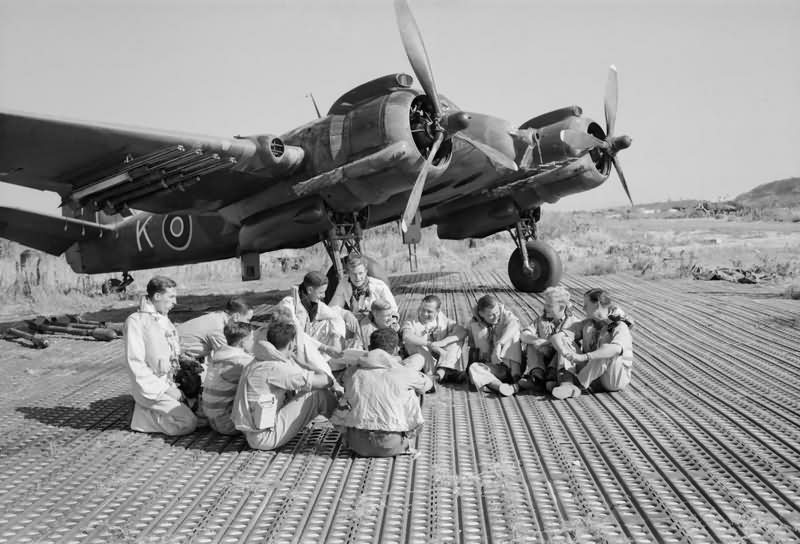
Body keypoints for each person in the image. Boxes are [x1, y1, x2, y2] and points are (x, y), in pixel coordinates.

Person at [232, 322, 339, 451]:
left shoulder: (258, 360)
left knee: (300, 392)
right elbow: (326, 381)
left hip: (252, 432)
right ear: (291, 344)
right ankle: (346, 427)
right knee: (318, 394)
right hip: (265, 436)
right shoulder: (275, 367)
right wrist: (306, 363)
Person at [331, 328, 432, 457]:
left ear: (369, 347)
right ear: (396, 350)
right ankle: (406, 436)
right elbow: (427, 385)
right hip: (391, 445)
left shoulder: (352, 372)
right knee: (413, 390)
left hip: (357, 444)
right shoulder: (404, 373)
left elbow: (343, 383)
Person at [123, 275, 197, 436]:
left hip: (171, 383)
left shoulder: (163, 319)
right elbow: (135, 364)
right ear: (157, 297)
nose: (175, 302)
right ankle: (137, 417)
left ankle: (154, 410)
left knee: (204, 414)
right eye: (171, 297)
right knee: (189, 423)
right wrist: (166, 390)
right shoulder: (136, 322)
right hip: (152, 389)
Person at [550, 288, 634, 400]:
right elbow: (556, 337)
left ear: (597, 304)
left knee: (606, 350)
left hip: (612, 380)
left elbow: (616, 349)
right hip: (592, 377)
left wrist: (583, 357)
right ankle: (567, 383)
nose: (583, 308)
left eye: (586, 304)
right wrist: (566, 353)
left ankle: (577, 384)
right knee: (564, 340)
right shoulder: (587, 324)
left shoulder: (619, 325)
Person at [518, 285, 580, 392]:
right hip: (544, 361)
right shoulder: (541, 320)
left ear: (561, 307)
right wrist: (536, 340)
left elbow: (568, 345)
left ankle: (560, 378)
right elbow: (524, 334)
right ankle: (537, 378)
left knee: (564, 343)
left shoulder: (574, 322)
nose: (545, 308)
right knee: (531, 343)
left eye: (549, 305)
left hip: (564, 363)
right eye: (545, 304)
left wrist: (546, 343)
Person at [201, 322, 255, 435]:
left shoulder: (220, 355)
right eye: (252, 339)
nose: (254, 342)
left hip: (212, 418)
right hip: (227, 422)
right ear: (243, 342)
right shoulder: (240, 361)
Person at [466, 295, 523, 396]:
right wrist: (469, 373)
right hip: (493, 366)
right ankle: (501, 387)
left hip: (511, 364)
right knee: (474, 368)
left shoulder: (506, 315)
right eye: (491, 315)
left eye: (497, 312)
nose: (496, 317)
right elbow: (473, 349)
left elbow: (515, 325)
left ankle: (516, 379)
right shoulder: (473, 324)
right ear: (481, 314)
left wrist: (499, 344)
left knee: (513, 333)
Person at [277, 271, 345, 356]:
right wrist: (325, 348)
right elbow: (296, 333)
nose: (323, 296)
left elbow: (336, 317)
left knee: (329, 324)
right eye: (321, 292)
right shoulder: (289, 303)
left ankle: (327, 359)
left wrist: (336, 340)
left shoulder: (315, 303)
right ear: (310, 290)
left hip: (305, 341)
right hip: (288, 345)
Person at [401, 295, 466, 380]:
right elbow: (406, 336)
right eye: (422, 309)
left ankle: (441, 372)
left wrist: (443, 342)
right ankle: (442, 375)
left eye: (429, 311)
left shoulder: (442, 320)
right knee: (414, 345)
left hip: (440, 359)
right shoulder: (411, 321)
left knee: (456, 341)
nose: (424, 314)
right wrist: (430, 344)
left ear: (438, 311)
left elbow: (462, 331)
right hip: (422, 359)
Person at [178, 297, 253, 360]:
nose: (248, 323)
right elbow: (229, 356)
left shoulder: (218, 316)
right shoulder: (218, 328)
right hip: (175, 355)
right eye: (248, 320)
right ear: (236, 316)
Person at [329, 254, 397, 317]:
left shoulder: (379, 285)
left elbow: (393, 309)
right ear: (348, 273)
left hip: (377, 321)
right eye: (353, 274)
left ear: (366, 271)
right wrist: (346, 315)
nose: (358, 278)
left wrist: (373, 316)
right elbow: (333, 308)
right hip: (356, 321)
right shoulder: (344, 284)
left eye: (360, 273)